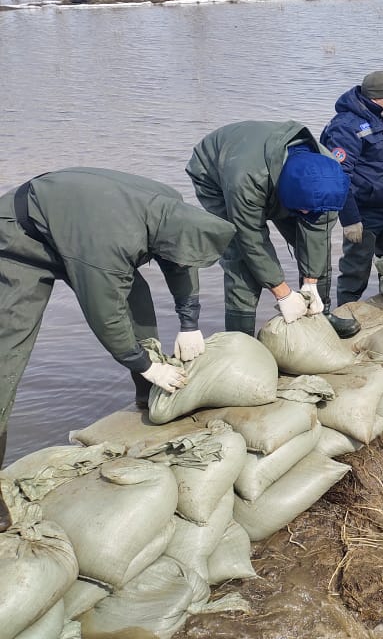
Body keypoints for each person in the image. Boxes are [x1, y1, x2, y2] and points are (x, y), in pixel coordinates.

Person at [0, 169, 236, 476]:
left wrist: (189, 322)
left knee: (138, 306)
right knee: (9, 350)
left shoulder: (174, 213)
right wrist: (147, 365)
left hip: (79, 225)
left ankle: (147, 399)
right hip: (22, 237)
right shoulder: (108, 246)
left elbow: (181, 262)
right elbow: (105, 314)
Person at [186, 120, 360, 339]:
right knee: (241, 256)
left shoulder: (328, 177)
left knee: (315, 247)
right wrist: (283, 293)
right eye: (303, 209)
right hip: (218, 177)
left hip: (285, 178)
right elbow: (251, 240)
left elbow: (318, 235)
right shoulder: (246, 180)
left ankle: (320, 313)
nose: (308, 215)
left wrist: (310, 283)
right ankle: (241, 338)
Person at [320, 70, 383, 307]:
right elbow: (339, 176)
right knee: (355, 273)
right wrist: (350, 219)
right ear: (376, 98)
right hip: (362, 212)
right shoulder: (346, 127)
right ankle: (343, 314)